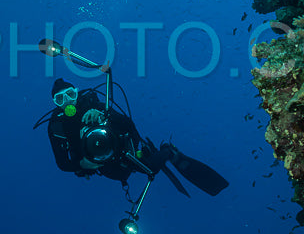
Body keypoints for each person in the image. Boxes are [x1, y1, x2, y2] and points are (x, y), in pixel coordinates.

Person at [44, 77, 228, 196]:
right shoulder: (57, 127)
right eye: (60, 99)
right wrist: (81, 164)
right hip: (99, 163)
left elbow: (128, 125)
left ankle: (167, 151)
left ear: (77, 92)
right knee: (118, 175)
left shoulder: (98, 106)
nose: (68, 100)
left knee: (149, 168)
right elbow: (62, 163)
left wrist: (104, 115)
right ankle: (154, 154)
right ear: (56, 104)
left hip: (121, 150)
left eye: (70, 94)